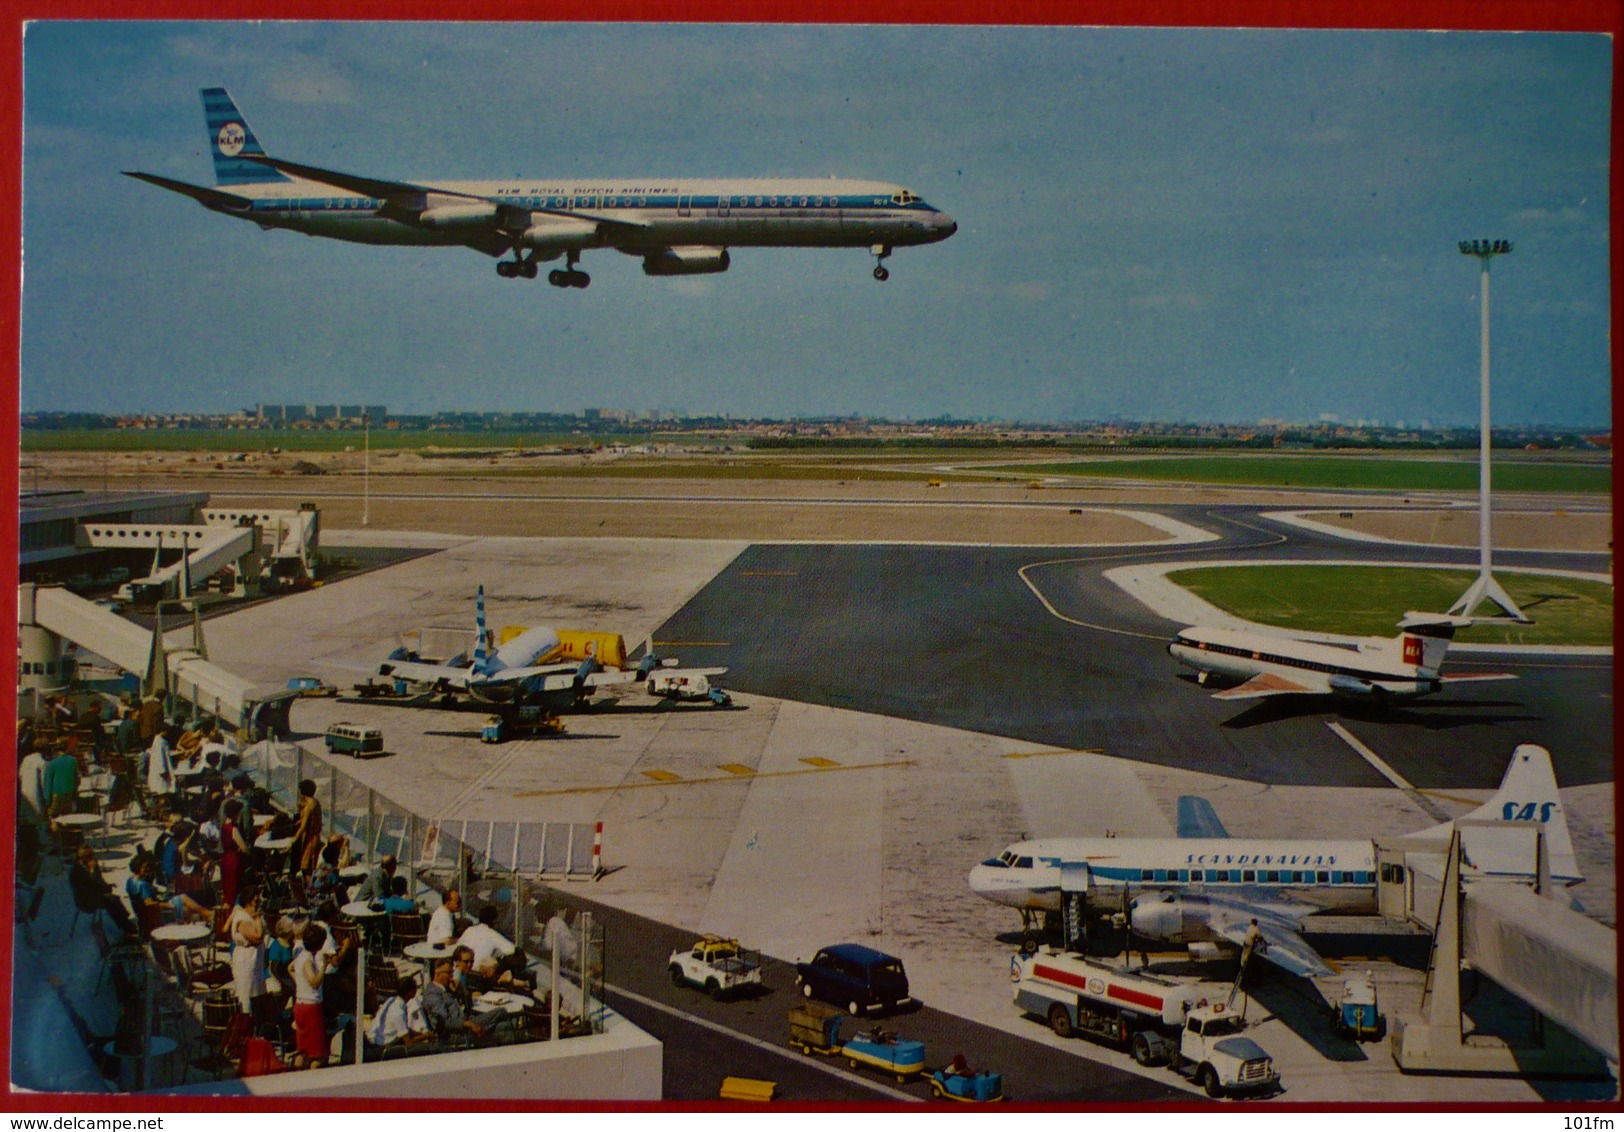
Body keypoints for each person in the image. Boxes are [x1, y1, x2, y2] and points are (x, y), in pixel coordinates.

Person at [289, 922, 351, 1069]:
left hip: (300, 1005)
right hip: (311, 1007)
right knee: (319, 1055)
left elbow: (290, 968)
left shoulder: (300, 956)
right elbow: (314, 982)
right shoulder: (308, 960)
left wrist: (299, 983)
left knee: (302, 1050)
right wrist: (323, 966)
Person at [69, 845, 138, 937]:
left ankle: (126, 922)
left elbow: (99, 883)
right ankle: (127, 927)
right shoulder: (76, 871)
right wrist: (93, 873)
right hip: (85, 899)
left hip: (95, 895)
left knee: (113, 899)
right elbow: (87, 889)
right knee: (111, 900)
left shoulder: (91, 867)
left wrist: (106, 886)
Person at [457, 906, 527, 983]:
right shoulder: (492, 934)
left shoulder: (469, 930)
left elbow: (458, 946)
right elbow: (511, 950)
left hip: (463, 969)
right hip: (479, 973)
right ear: (494, 921)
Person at [227, 884, 268, 1013]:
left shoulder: (256, 916)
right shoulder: (241, 917)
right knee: (247, 991)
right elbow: (257, 936)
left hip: (256, 957)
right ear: (248, 901)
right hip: (245, 958)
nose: (258, 903)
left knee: (257, 991)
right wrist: (256, 918)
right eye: (256, 901)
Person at [366, 975, 432, 1053]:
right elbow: (409, 1042)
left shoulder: (392, 1001)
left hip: (378, 1041)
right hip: (384, 1047)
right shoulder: (398, 1011)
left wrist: (421, 1034)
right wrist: (426, 1036)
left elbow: (406, 1030)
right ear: (411, 992)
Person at [219, 797, 251, 910]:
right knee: (232, 895)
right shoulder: (233, 829)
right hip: (234, 862)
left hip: (225, 860)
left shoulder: (223, 828)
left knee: (227, 893)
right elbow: (244, 847)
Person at [290, 778, 323, 875]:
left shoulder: (309, 807)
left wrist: (294, 840)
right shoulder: (316, 803)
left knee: (307, 868)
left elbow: (303, 827)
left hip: (310, 840)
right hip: (315, 838)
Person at [42, 746, 80, 825]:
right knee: (68, 820)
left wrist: (47, 802)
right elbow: (77, 780)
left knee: (54, 820)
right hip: (69, 794)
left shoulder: (52, 764)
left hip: (56, 796)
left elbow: (48, 784)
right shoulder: (73, 761)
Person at [145, 724, 178, 809]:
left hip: (160, 770)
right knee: (162, 792)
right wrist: (162, 771)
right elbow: (160, 758)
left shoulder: (160, 741)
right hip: (160, 772)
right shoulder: (159, 742)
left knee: (163, 791)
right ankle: (161, 809)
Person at [18, 742, 48, 824]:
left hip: (25, 797)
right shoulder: (43, 763)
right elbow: (44, 784)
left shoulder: (26, 759)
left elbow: (20, 775)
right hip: (37, 800)